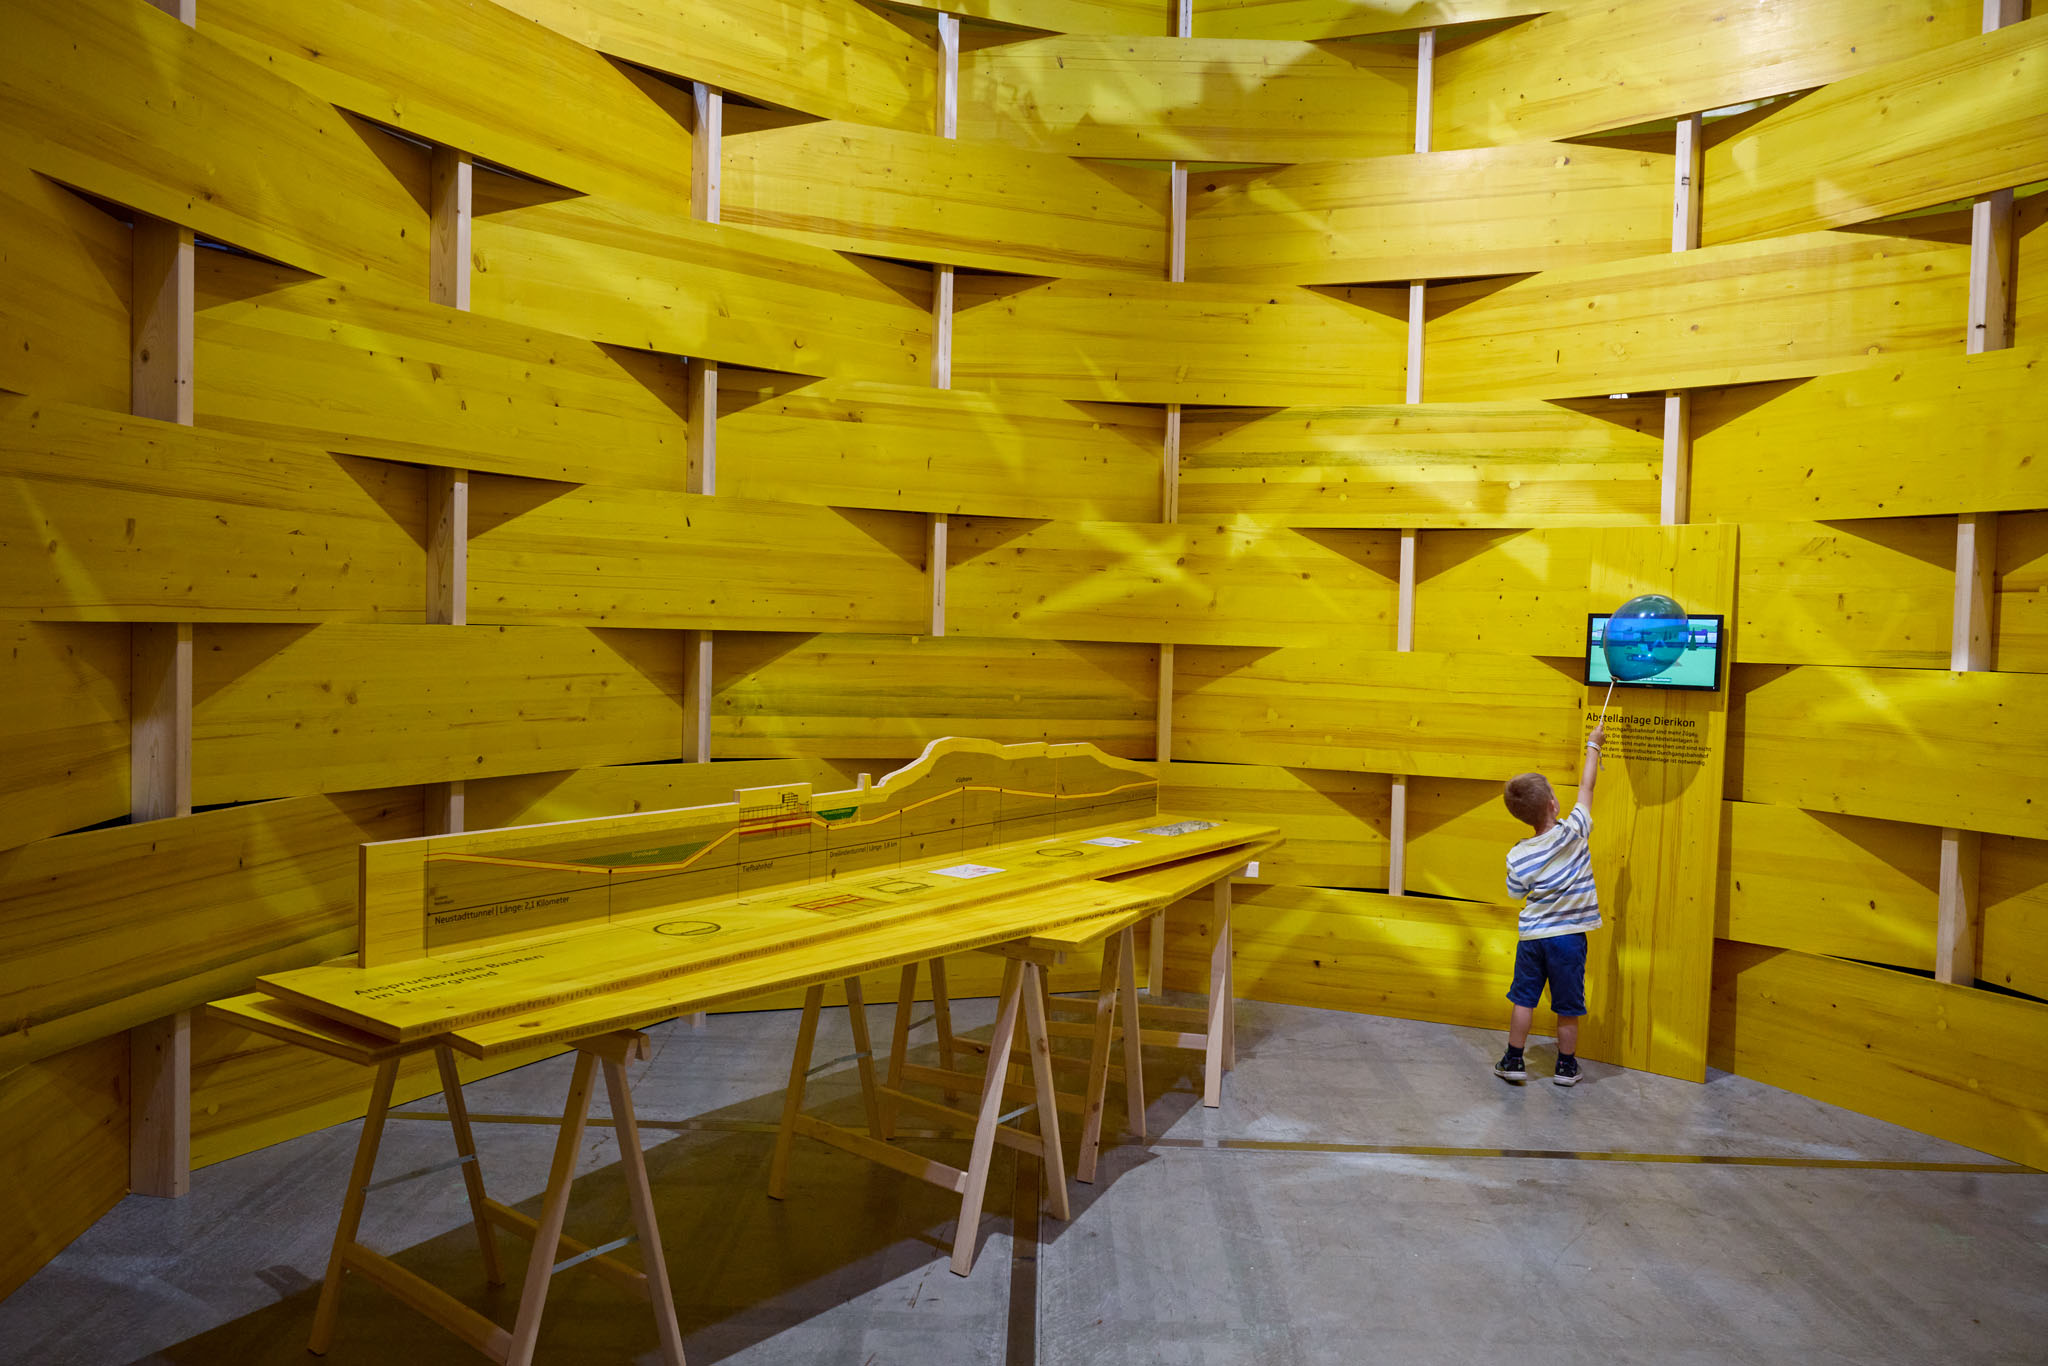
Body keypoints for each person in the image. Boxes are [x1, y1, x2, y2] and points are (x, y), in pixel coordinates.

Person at [1493, 722, 1605, 1086]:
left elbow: (1515, 893)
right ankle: (1566, 1066)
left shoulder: (1518, 854)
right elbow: (1587, 788)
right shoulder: (1574, 831)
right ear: (1554, 804)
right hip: (1568, 939)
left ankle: (1513, 1059)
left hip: (1532, 939)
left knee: (1523, 999)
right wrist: (1593, 745)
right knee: (1568, 1006)